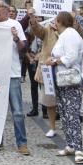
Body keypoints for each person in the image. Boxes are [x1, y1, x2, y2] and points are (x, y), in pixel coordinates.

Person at [0, 0, 30, 156]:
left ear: (5, 9)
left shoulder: (15, 24)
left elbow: (23, 49)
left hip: (12, 73)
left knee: (17, 111)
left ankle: (22, 143)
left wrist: (16, 38)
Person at [48, 11, 83, 164]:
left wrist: (55, 61)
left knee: (72, 114)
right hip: (62, 79)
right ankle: (70, 144)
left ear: (61, 21)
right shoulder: (63, 35)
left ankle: (78, 149)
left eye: (56, 21)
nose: (54, 23)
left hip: (70, 80)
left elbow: (71, 57)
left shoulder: (70, 34)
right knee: (64, 113)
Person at [29, 9, 59, 138]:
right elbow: (37, 30)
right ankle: (52, 127)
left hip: (64, 70)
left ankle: (70, 125)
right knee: (50, 100)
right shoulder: (48, 29)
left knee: (66, 101)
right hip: (48, 69)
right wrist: (32, 17)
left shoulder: (70, 31)